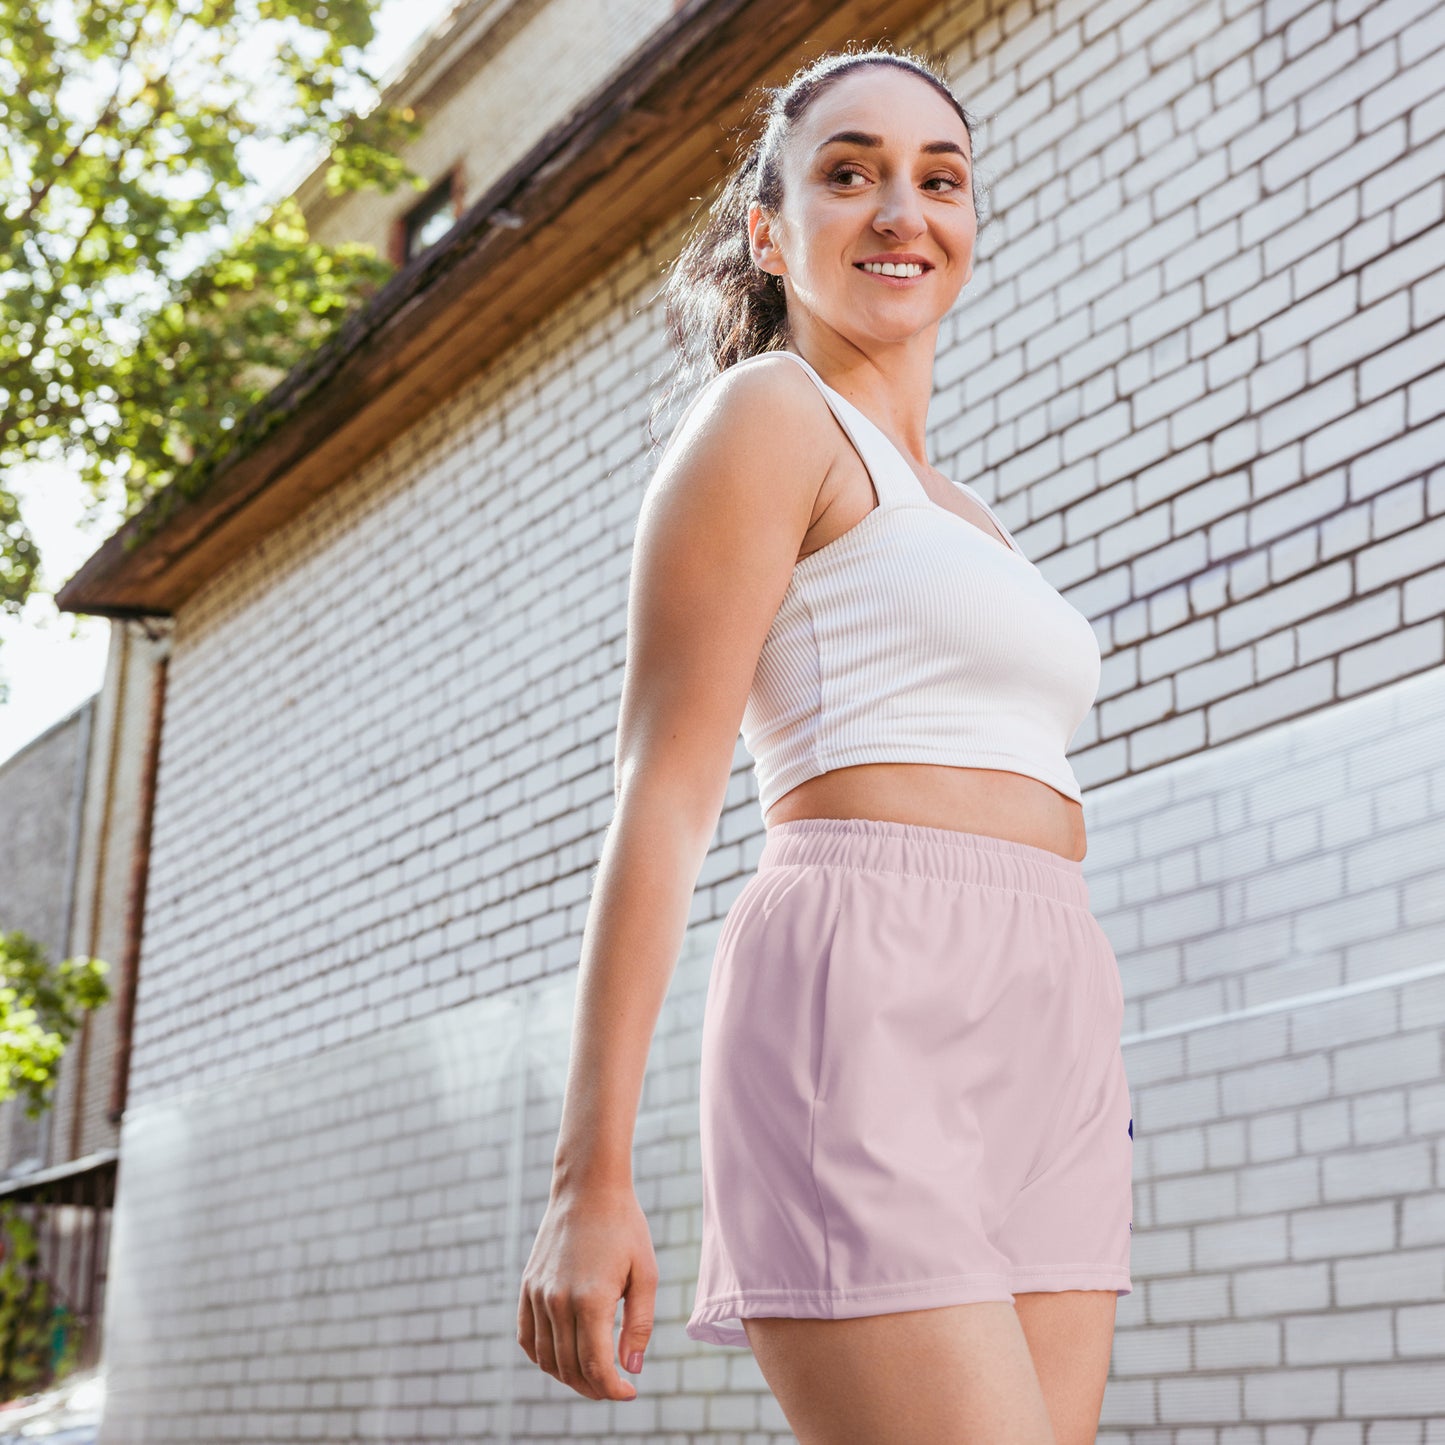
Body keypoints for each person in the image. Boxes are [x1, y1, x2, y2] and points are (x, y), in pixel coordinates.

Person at [517, 44, 1133, 1444]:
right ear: (767, 230)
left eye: (939, 178)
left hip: (1050, 1007)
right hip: (864, 983)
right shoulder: (765, 418)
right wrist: (587, 1175)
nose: (900, 210)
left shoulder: (969, 510)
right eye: (848, 173)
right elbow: (661, 797)